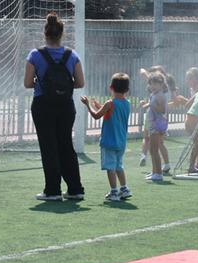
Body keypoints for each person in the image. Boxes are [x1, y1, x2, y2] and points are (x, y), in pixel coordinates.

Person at [24, 12, 86, 201]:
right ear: (62, 34)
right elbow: (80, 83)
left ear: (45, 33)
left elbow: (27, 83)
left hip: (43, 105)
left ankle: (52, 190)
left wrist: (43, 83)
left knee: (49, 147)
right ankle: (75, 189)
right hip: (65, 106)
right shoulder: (72, 55)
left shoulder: (35, 55)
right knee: (66, 145)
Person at [80, 73, 132, 202]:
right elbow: (112, 114)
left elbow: (96, 116)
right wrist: (100, 107)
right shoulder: (127, 103)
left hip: (109, 141)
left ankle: (114, 192)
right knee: (119, 166)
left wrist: (88, 104)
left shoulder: (110, 103)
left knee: (110, 167)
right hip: (121, 141)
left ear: (111, 87)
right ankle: (124, 189)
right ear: (127, 89)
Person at [137, 66, 173, 174]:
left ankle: (158, 173)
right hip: (153, 122)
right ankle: (155, 172)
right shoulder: (155, 94)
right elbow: (153, 105)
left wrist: (150, 105)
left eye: (155, 84)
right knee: (153, 149)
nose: (152, 86)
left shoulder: (161, 95)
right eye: (151, 84)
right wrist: (147, 104)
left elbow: (162, 110)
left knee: (155, 149)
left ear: (161, 84)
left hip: (157, 124)